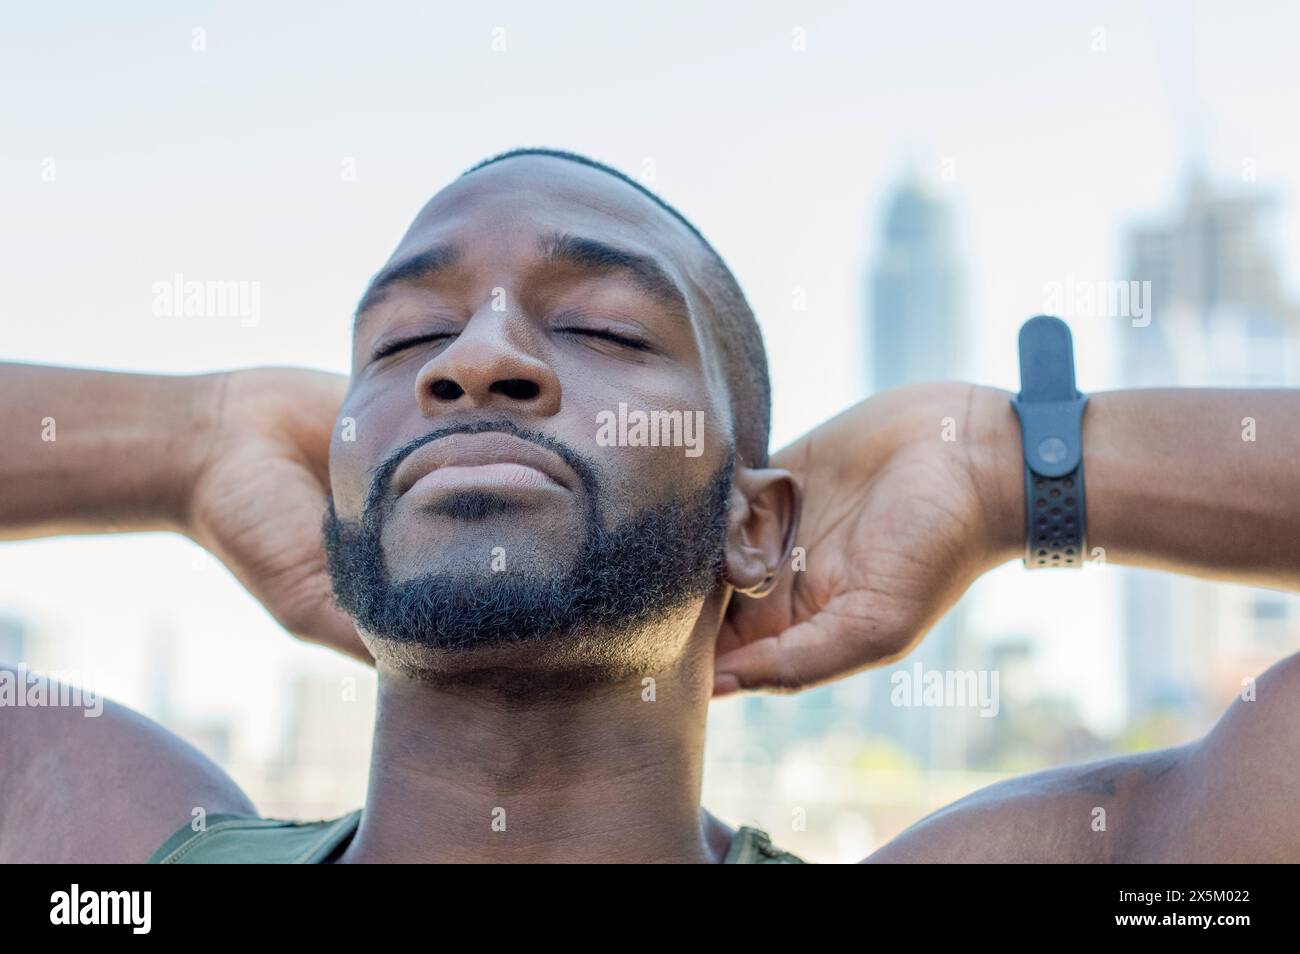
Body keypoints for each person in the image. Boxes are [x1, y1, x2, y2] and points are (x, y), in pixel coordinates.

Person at [2, 148, 1298, 863]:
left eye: (604, 327)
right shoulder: (102, 858)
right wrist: (186, 439)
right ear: (336, 496)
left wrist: (1011, 468)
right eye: (402, 344)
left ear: (758, 522)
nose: (480, 356)